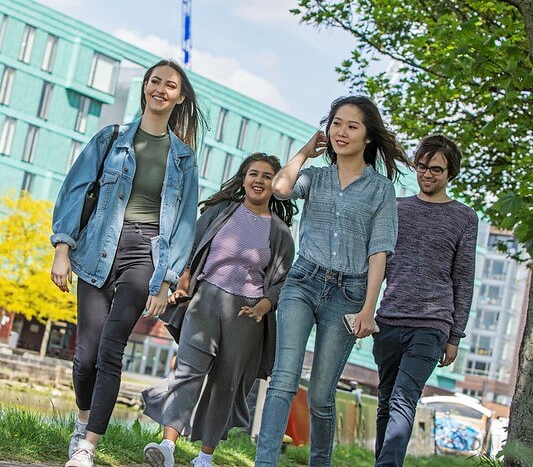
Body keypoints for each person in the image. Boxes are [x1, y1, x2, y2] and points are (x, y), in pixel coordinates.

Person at [50, 59, 206, 467]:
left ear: (180, 96)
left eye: (169, 85)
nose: (160, 89)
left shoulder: (184, 159)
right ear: (145, 87)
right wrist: (62, 248)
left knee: (111, 350)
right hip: (99, 244)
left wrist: (166, 280)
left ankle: (88, 447)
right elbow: (75, 189)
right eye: (154, 81)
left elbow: (186, 221)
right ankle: (81, 425)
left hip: (145, 253)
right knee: (86, 355)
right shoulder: (111, 138)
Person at [255, 96, 411, 467]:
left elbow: (379, 253)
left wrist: (368, 309)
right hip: (303, 282)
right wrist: (306, 152)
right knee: (283, 379)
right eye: (336, 123)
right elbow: (280, 188)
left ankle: (319, 463)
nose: (341, 132)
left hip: (348, 293)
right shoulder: (316, 176)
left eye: (352, 126)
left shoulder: (380, 190)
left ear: (369, 137)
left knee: (322, 396)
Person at [141, 153, 296, 467]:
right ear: (243, 178)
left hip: (247, 316)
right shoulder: (219, 212)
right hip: (205, 303)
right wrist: (181, 285)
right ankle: (167, 448)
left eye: (268, 176)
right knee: (187, 372)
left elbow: (281, 282)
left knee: (226, 384)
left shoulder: (280, 233)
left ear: (276, 185)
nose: (259, 180)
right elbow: (189, 248)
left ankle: (204, 458)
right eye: (254, 173)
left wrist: (264, 306)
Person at [373, 134, 478, 466]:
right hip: (389, 319)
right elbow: (377, 263)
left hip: (432, 325)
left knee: (404, 400)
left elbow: (463, 279)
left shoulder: (465, 218)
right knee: (387, 402)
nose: (427, 174)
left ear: (450, 174)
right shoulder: (397, 207)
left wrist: (455, 336)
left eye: (436, 169)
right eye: (422, 167)